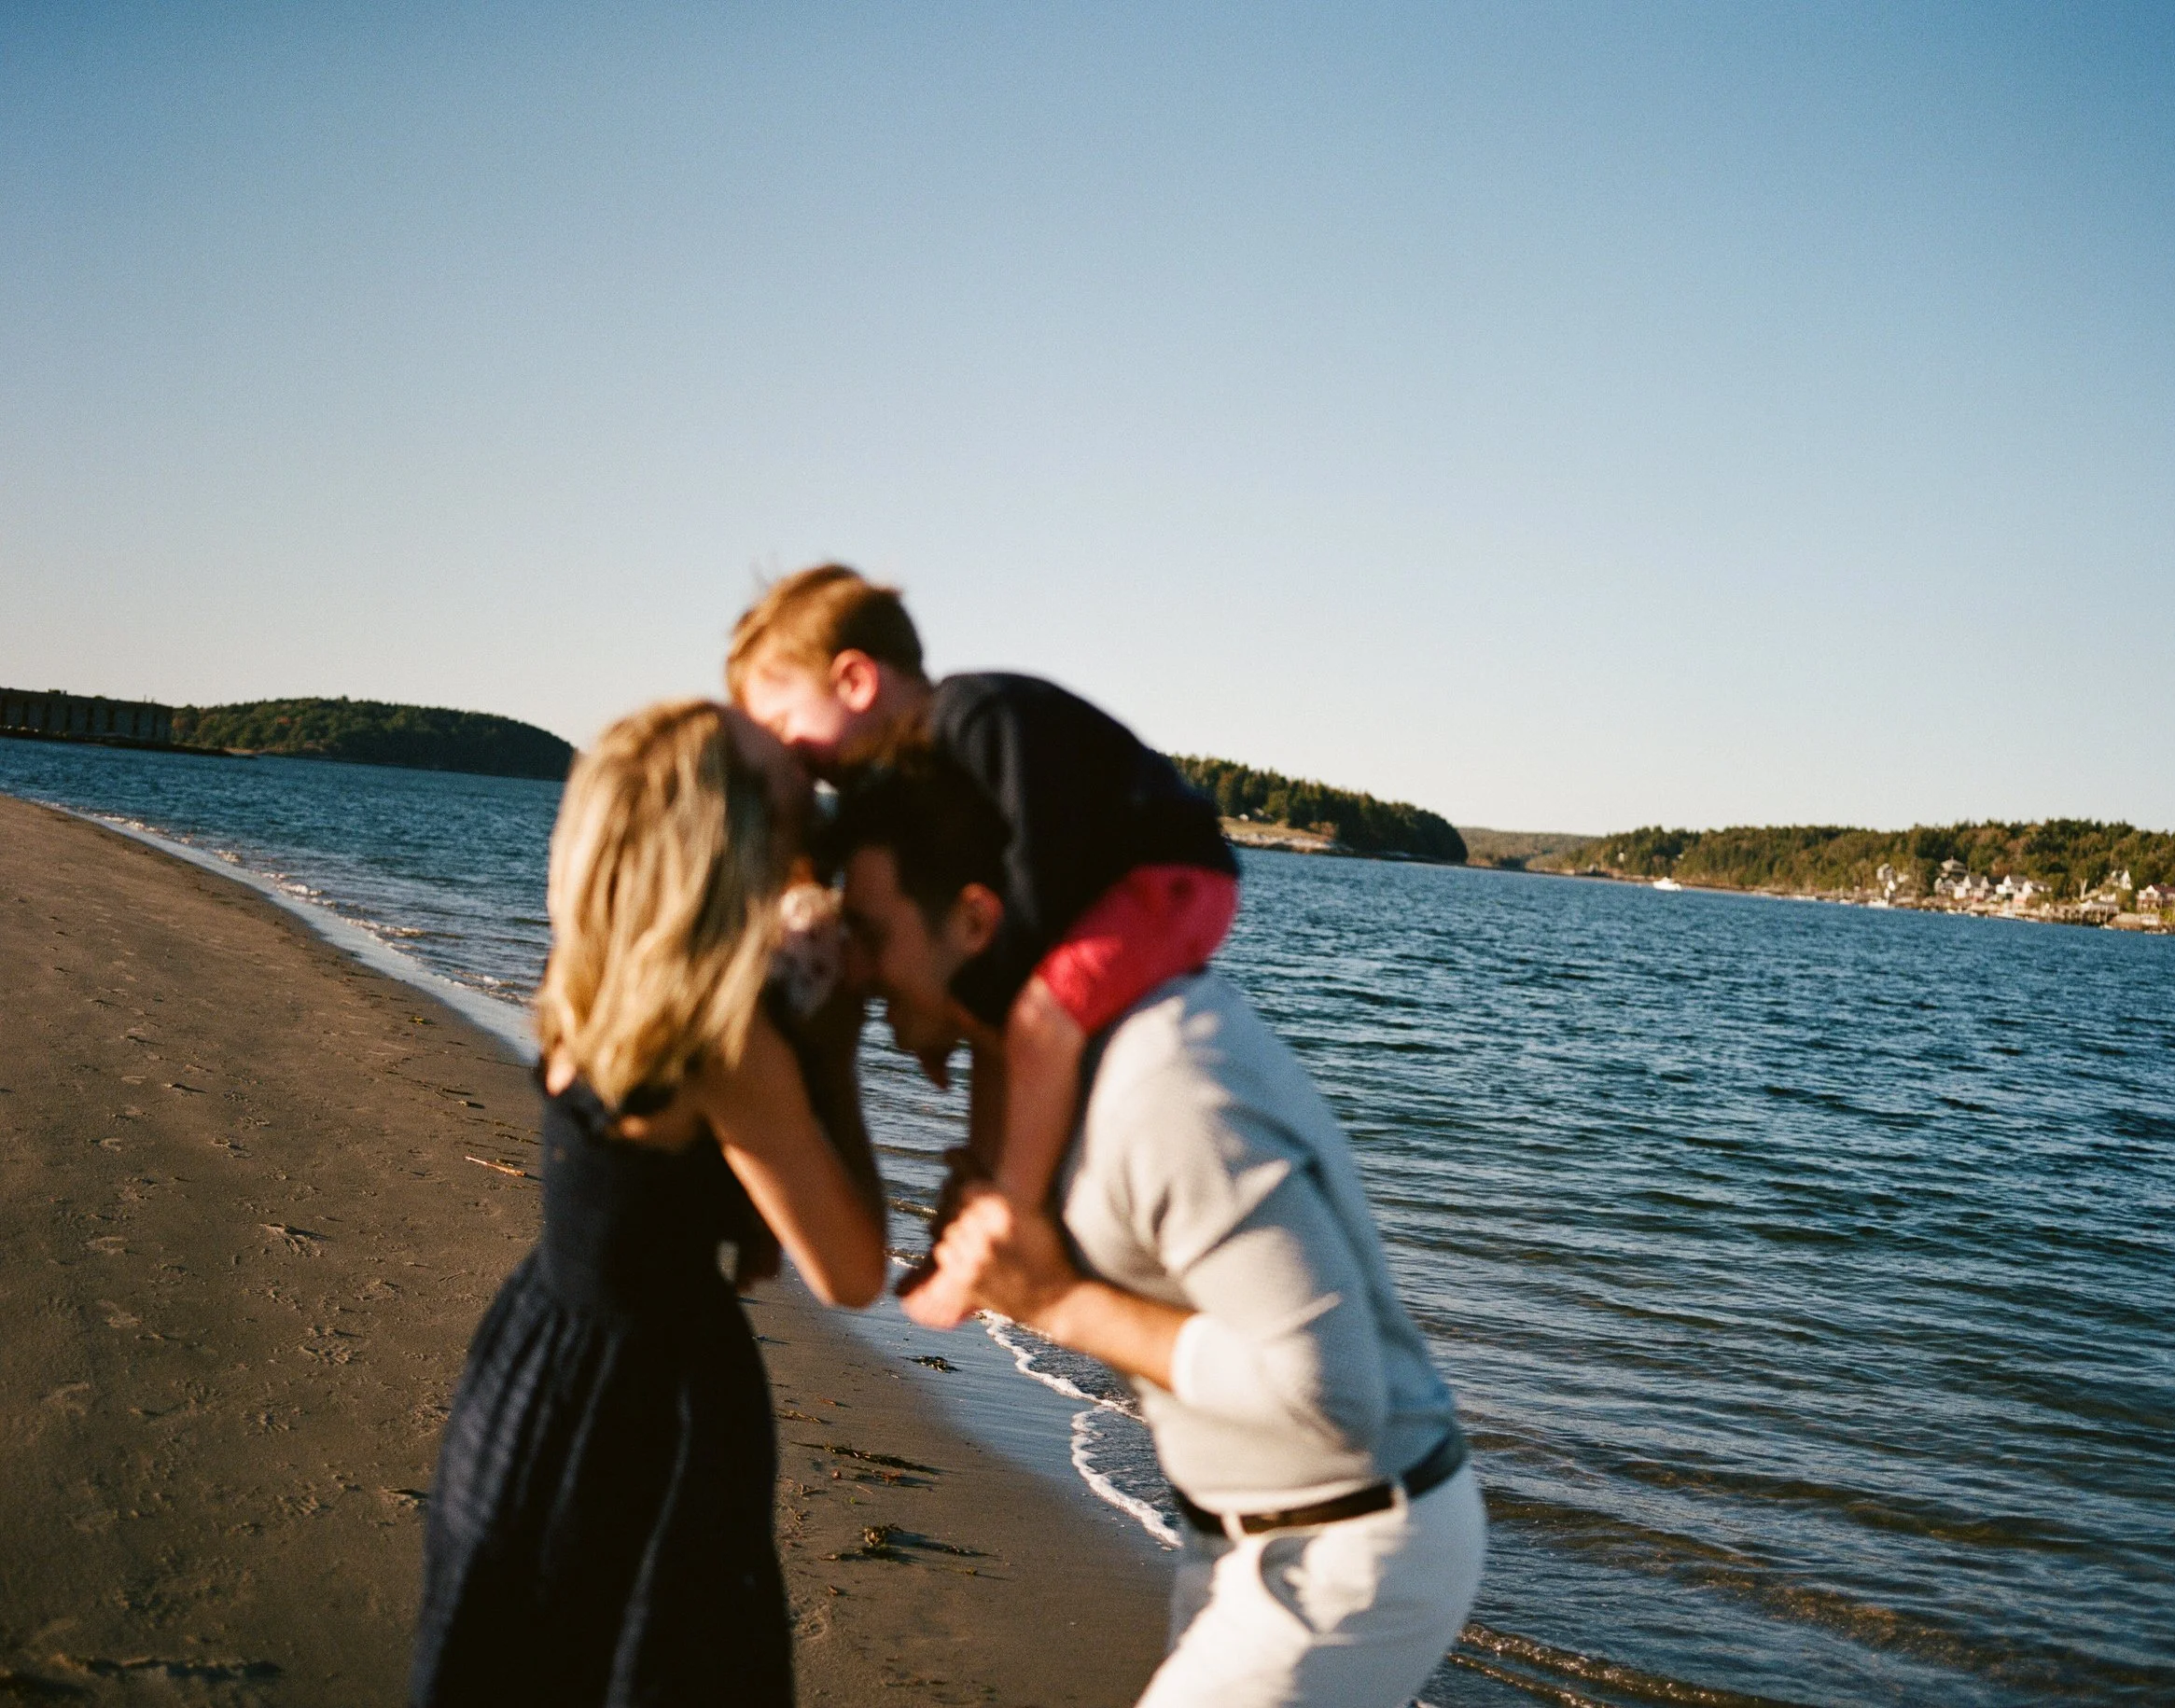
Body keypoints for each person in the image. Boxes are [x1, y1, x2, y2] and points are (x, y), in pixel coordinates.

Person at [830, 756, 1485, 1708]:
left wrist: (1057, 1300)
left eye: (869, 933)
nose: (856, 967)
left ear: (974, 920)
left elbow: (1330, 1393)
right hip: (1243, 1537)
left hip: (1351, 1554)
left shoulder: (1165, 1083)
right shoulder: (1045, 1063)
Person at [411, 701, 887, 1708]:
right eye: (781, 779)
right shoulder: (731, 1048)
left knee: (513, 1653)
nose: (808, 785)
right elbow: (851, 1272)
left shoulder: (586, 977)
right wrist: (840, 1041)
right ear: (729, 836)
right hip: (651, 1408)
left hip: (536, 1356)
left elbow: (664, 1183)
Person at [727, 563, 1239, 1326]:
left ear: (856, 681)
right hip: (1102, 892)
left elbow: (1036, 849)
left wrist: (990, 991)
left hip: (1168, 877)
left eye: (785, 732)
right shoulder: (897, 773)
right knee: (1004, 1022)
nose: (795, 761)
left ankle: (1007, 1225)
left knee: (1031, 1020)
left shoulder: (975, 715)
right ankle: (971, 1218)